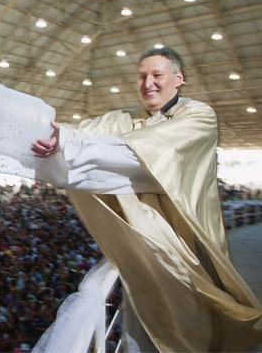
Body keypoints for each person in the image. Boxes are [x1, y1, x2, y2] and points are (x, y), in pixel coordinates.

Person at [28, 47, 262, 351]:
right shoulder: (127, 119)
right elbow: (84, 132)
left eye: (156, 75)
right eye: (141, 76)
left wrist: (72, 147)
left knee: (194, 325)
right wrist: (56, 138)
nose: (147, 83)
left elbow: (146, 155)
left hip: (186, 246)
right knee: (142, 327)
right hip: (142, 249)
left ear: (178, 78)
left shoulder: (198, 116)